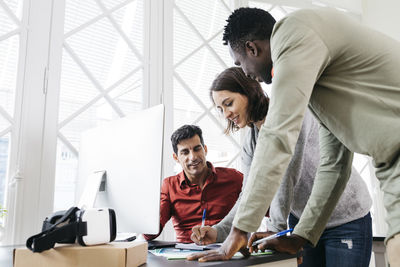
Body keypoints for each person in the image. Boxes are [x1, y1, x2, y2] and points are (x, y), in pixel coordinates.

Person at [187, 7, 400, 266]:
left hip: (353, 210)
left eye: (239, 62)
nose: (244, 72)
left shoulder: (294, 32)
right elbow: (334, 166)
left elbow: (279, 141)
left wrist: (240, 231)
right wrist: (300, 237)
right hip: (389, 166)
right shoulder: (318, 87)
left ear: (252, 48)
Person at [190, 67, 372, 267]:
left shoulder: (289, 113)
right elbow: (249, 193)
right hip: (301, 225)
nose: (226, 114)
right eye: (220, 109)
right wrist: (220, 230)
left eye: (228, 104)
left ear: (248, 91)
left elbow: (287, 176)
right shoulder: (251, 140)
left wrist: (275, 228)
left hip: (344, 218)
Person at [143, 124, 243, 243]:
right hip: (186, 256)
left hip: (230, 252)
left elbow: (266, 205)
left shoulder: (234, 178)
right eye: (185, 152)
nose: (193, 157)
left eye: (197, 149)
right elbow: (150, 233)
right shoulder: (169, 186)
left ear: (205, 149)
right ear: (176, 158)